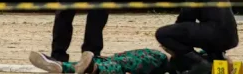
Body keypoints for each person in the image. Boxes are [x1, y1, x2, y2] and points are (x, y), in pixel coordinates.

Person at [155, 0, 239, 74]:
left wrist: (175, 34)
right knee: (206, 31)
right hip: (231, 38)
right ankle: (218, 59)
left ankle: (199, 62)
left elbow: (188, 13)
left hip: (214, 33)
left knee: (163, 34)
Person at [29, 49, 169, 74]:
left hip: (162, 62)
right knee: (115, 61)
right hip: (160, 61)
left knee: (120, 64)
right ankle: (61, 66)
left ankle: (92, 67)